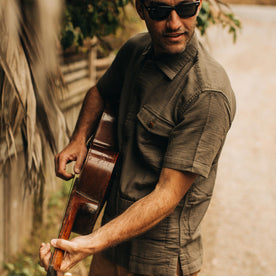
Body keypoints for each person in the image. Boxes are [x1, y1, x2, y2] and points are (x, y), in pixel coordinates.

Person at [39, 0, 236, 275]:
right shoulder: (135, 50)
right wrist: (79, 138)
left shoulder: (208, 94)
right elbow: (101, 91)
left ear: (200, 4)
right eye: (159, 11)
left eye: (186, 8)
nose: (175, 23)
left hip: (158, 260)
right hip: (111, 242)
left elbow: (167, 194)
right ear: (140, 9)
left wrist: (91, 242)